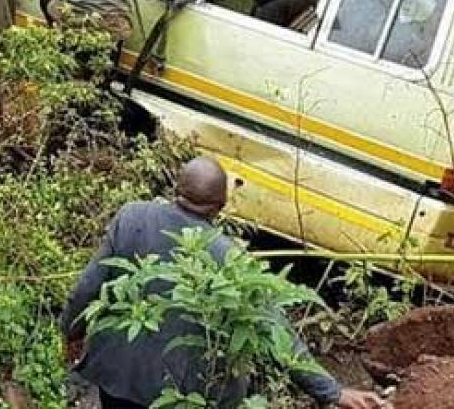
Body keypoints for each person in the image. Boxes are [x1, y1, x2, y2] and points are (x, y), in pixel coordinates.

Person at [60, 157, 391, 409]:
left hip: (117, 374)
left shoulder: (132, 216)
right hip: (180, 393)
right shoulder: (229, 259)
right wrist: (332, 391)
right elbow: (275, 332)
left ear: (177, 188)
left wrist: (70, 332)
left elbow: (87, 288)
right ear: (220, 207)